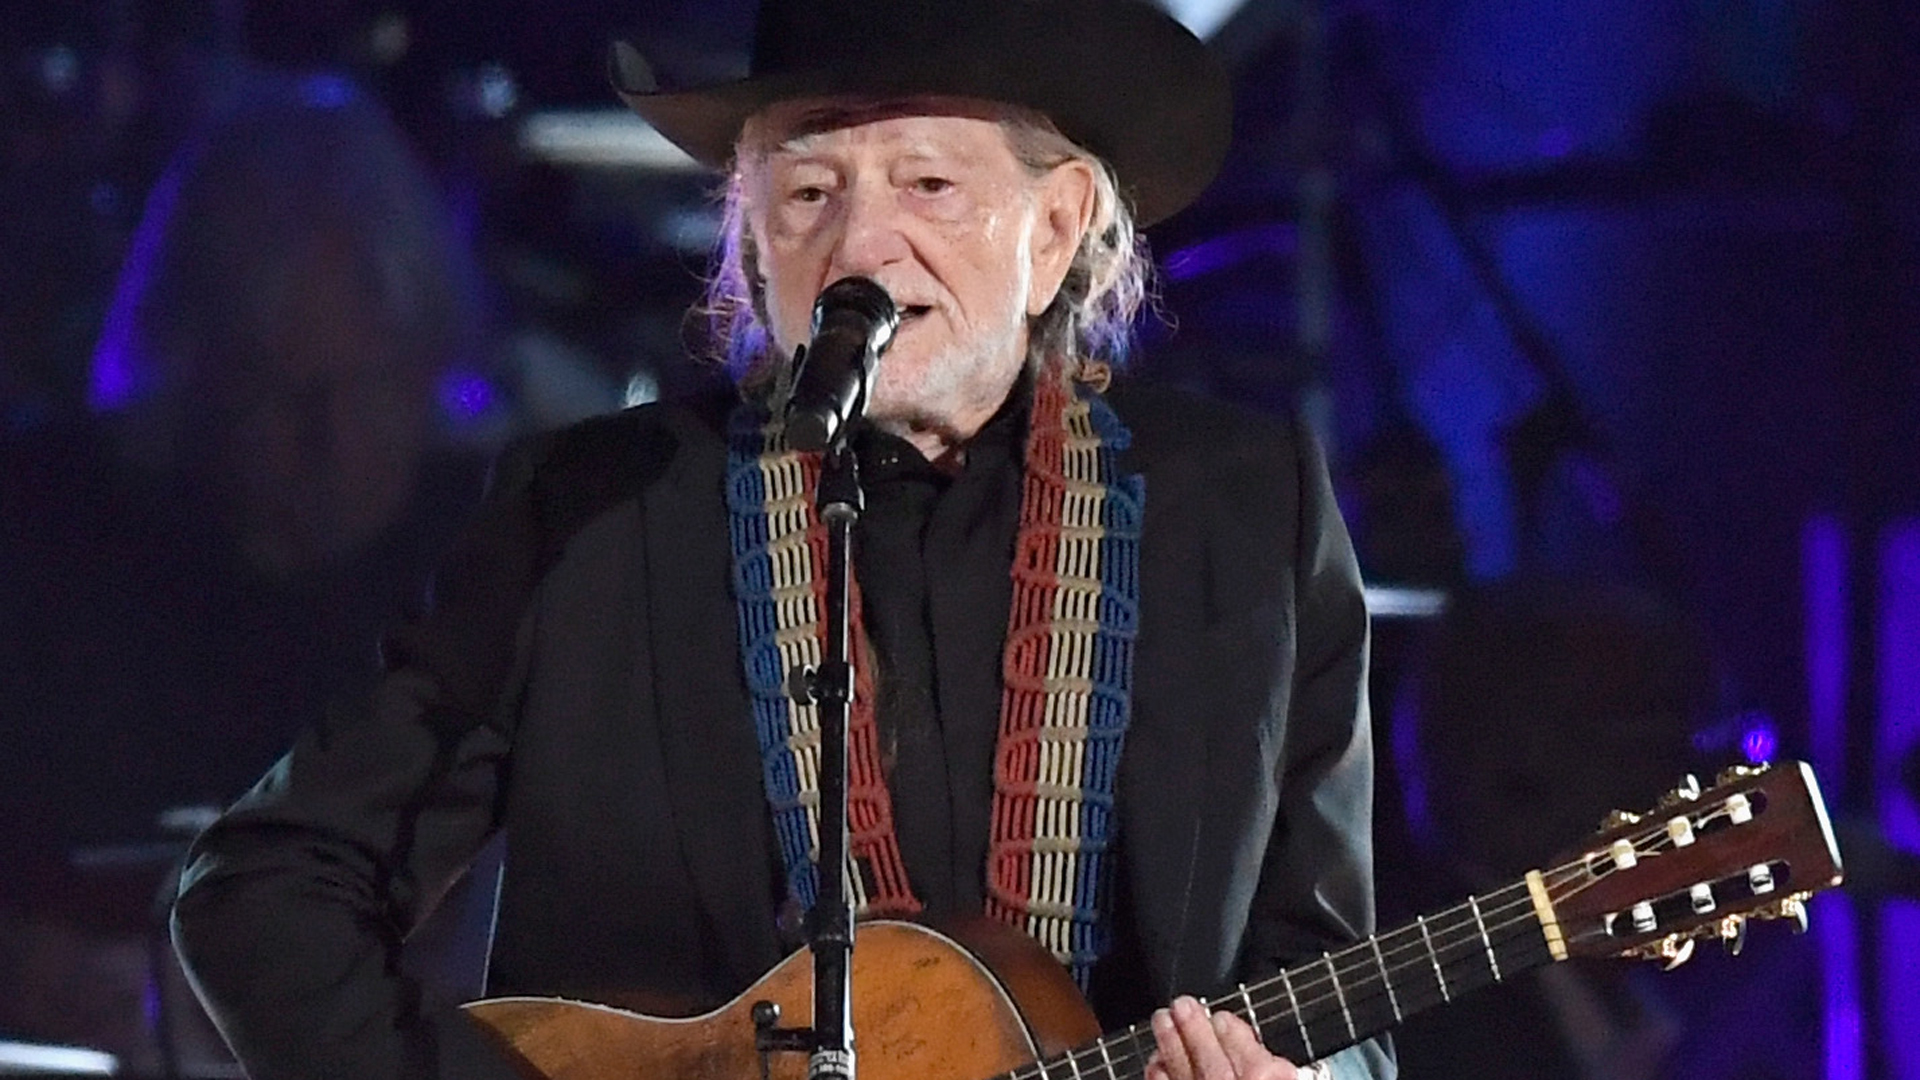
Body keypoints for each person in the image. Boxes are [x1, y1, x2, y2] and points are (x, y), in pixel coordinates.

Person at [169, 3, 1390, 1079]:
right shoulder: (592, 511)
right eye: (809, 193)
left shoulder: (1244, 511)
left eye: (928, 185)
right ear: (751, 242)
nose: (859, 248)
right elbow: (265, 894)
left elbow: (1339, 997)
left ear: (1058, 227)